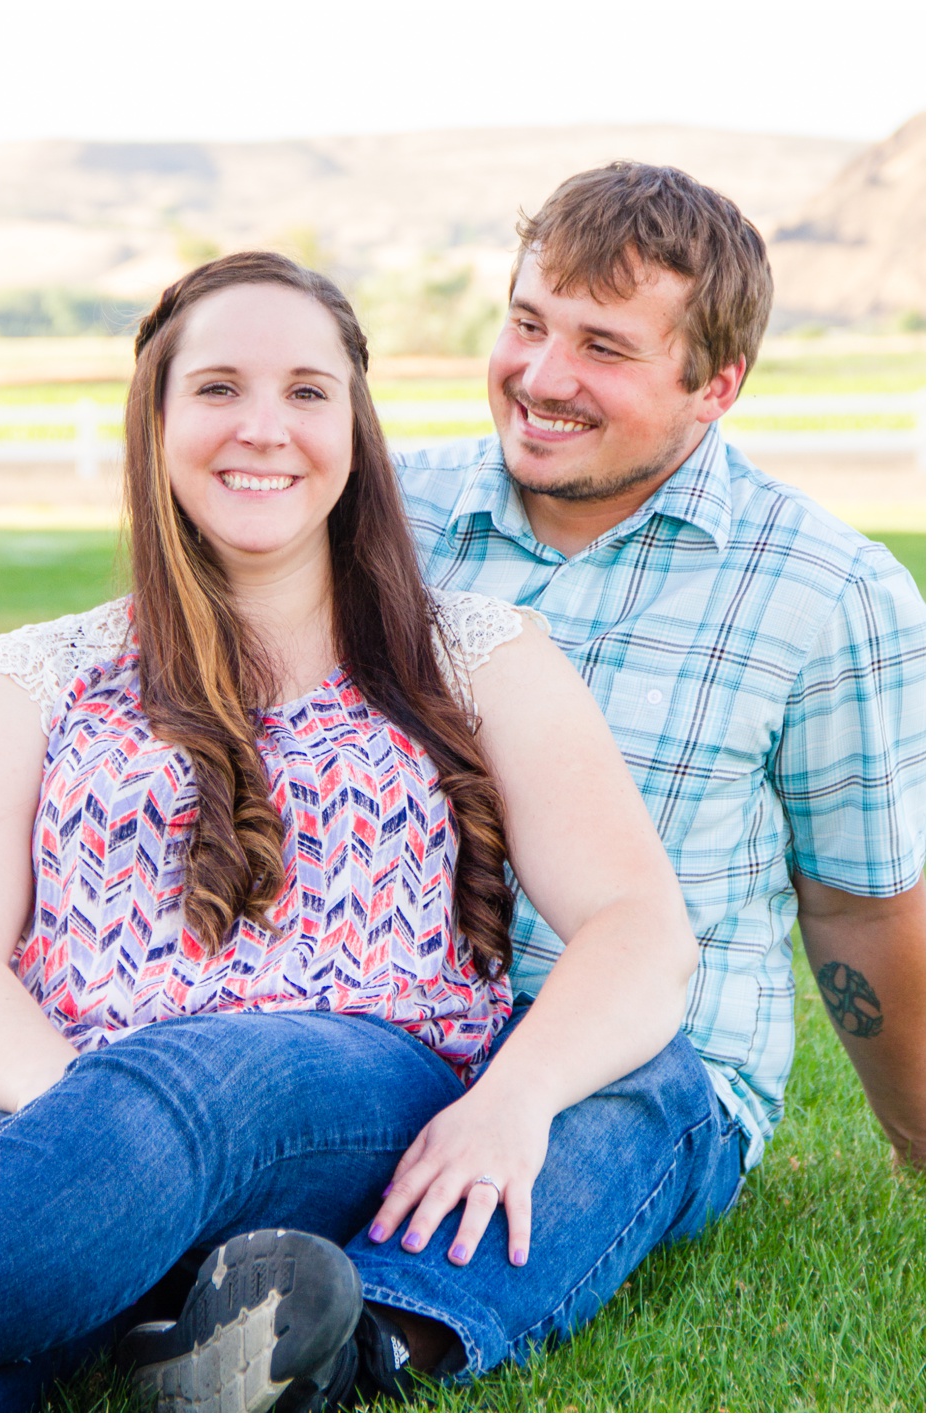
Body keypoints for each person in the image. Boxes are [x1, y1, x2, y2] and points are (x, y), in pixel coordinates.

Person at [0, 252, 704, 1411]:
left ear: (355, 427)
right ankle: (207, 1324)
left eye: (307, 392)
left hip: (359, 1095)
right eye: (216, 388)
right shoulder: (40, 676)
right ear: (155, 422)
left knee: (638, 1078)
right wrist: (88, 1123)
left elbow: (635, 926)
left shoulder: (476, 656)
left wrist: (512, 1101)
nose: (263, 428)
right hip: (80, 1104)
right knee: (143, 1117)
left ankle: (292, 1313)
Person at [378, 162, 923, 1379]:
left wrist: (917, 1147)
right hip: (388, 1015)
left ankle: (362, 1336)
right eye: (527, 323)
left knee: (607, 1130)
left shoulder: (829, 592)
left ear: (714, 386)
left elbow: (858, 903)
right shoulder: (381, 519)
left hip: (655, 1058)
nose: (542, 376)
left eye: (603, 348)